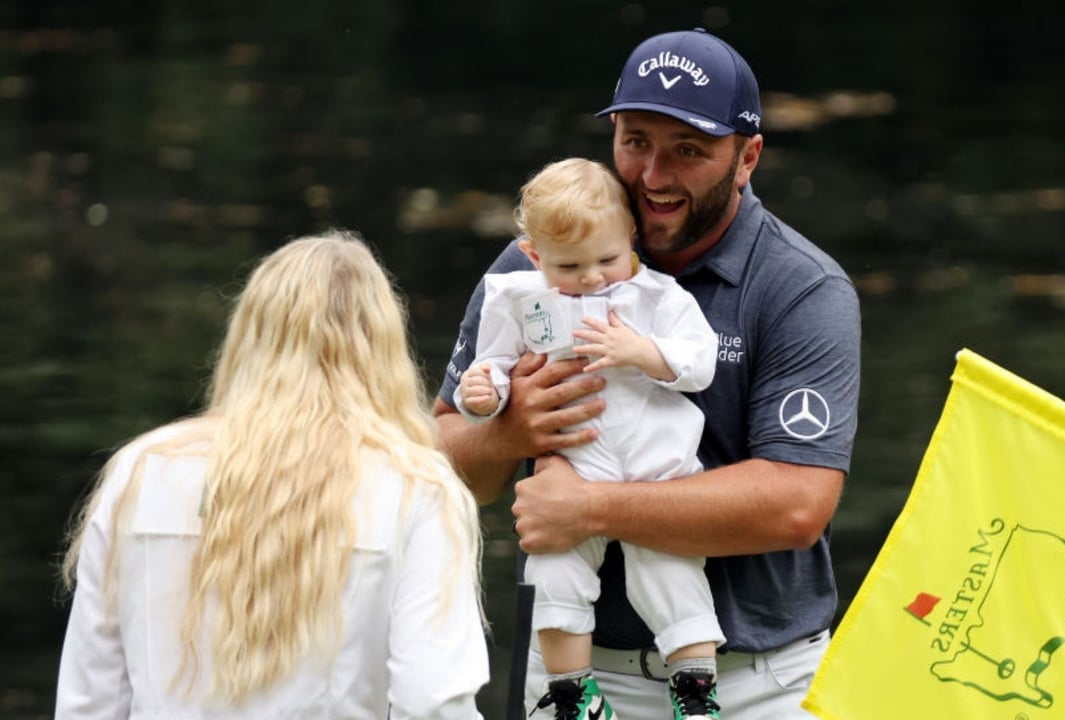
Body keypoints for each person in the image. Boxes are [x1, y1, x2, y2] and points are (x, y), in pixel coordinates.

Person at [434, 28, 860, 720]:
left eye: (688, 151)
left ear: (748, 156)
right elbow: (442, 466)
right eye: (636, 142)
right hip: (574, 673)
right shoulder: (534, 267)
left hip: (759, 682)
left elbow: (796, 505)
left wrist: (592, 509)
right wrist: (508, 431)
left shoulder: (800, 287)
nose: (653, 177)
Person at [56, 231, 489, 720]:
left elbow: (88, 700)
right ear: (384, 348)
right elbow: (431, 704)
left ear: (248, 336)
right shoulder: (416, 489)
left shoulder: (141, 472)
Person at [456, 157, 724, 719]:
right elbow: (494, 366)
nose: (593, 277)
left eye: (607, 258)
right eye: (569, 265)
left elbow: (700, 363)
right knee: (552, 574)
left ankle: (695, 693)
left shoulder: (658, 297)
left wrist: (643, 353)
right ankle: (572, 693)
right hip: (572, 468)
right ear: (534, 256)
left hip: (656, 469)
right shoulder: (519, 299)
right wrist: (483, 393)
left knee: (672, 575)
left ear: (631, 236)